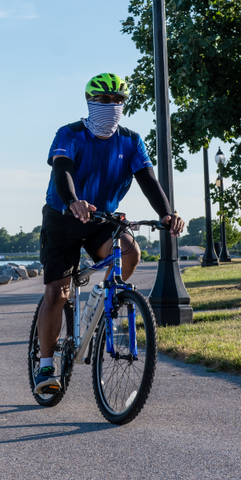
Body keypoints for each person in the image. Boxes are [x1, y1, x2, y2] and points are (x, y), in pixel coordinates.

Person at [33, 73, 185, 394]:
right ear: (90, 101)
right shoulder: (70, 134)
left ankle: (100, 305)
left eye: (118, 100)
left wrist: (167, 214)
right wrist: (74, 201)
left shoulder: (130, 141)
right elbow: (62, 171)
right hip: (63, 217)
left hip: (102, 218)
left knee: (130, 254)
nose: (112, 106)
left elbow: (147, 180)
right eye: (104, 100)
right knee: (58, 293)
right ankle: (46, 367)